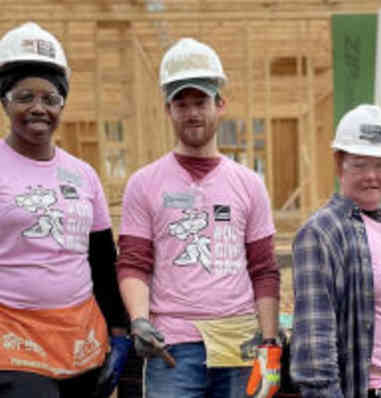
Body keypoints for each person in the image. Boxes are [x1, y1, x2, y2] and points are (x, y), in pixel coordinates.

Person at [0, 22, 131, 398]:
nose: (39, 108)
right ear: (4, 100)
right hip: (12, 339)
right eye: (25, 96)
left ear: (62, 103)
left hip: (81, 339)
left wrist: (119, 333)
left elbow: (103, 261)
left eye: (50, 98)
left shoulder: (84, 175)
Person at [116, 37, 281, 398]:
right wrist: (140, 320)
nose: (192, 113)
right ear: (168, 110)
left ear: (220, 105)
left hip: (238, 344)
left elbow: (264, 268)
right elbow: (133, 262)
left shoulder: (248, 185)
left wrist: (269, 341)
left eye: (201, 101)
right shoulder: (144, 184)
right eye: (181, 103)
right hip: (172, 346)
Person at [290, 104, 381, 398]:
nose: (372, 176)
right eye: (360, 164)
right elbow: (314, 341)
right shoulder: (323, 232)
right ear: (340, 164)